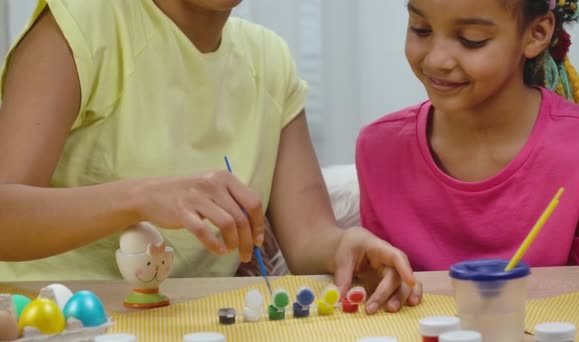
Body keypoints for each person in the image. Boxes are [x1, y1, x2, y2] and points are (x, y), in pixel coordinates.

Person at [0, 0, 421, 313]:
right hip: (47, 319)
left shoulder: (268, 60)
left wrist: (347, 245)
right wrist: (141, 197)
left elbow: (310, 236)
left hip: (182, 322)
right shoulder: (85, 21)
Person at [356, 0, 579, 271]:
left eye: (471, 40)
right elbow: (382, 289)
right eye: (421, 29)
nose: (436, 60)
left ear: (537, 34)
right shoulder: (378, 149)